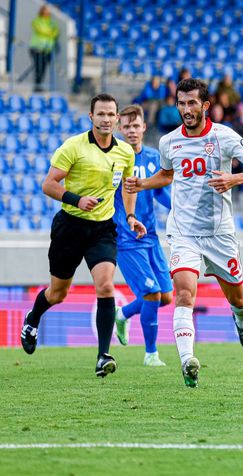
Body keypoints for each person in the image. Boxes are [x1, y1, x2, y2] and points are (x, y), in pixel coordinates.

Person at [125, 79, 243, 387]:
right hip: (184, 233)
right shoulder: (169, 142)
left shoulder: (224, 137)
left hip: (220, 235)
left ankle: (242, 319)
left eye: (192, 103)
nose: (186, 109)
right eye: (181, 103)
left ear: (205, 105)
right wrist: (142, 184)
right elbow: (166, 174)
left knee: (239, 298)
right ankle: (188, 360)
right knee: (183, 293)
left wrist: (233, 179)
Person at [21, 93, 147, 377]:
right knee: (58, 293)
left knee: (105, 286)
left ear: (117, 119)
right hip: (70, 225)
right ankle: (33, 317)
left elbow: (128, 187)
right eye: (100, 114)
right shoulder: (73, 147)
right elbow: (48, 184)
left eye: (110, 114)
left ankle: (104, 355)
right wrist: (76, 199)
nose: (105, 119)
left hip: (102, 228)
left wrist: (130, 216)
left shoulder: (125, 152)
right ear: (91, 117)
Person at [112, 104, 173, 367]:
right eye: (126, 127)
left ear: (144, 127)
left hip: (152, 237)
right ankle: (151, 354)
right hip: (127, 239)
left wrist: (178, 208)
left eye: (136, 126)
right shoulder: (115, 159)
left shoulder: (152, 157)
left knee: (166, 296)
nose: (132, 131)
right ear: (119, 129)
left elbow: (158, 190)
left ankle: (123, 313)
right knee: (151, 295)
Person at [29, 5, 59, 91]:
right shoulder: (37, 21)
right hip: (37, 48)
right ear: (41, 11)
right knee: (39, 68)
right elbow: (41, 31)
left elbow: (56, 32)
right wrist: (50, 32)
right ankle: (37, 86)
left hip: (47, 49)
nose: (47, 13)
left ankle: (39, 86)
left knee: (44, 69)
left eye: (48, 11)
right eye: (45, 11)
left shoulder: (52, 22)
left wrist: (49, 32)